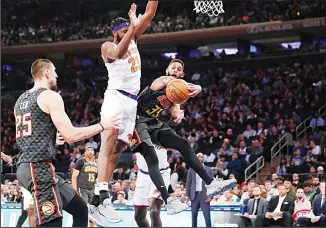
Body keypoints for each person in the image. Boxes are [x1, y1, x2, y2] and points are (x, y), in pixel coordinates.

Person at [14, 58, 121, 227]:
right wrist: (102, 125)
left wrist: (50, 140)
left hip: (28, 167)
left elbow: (24, 135)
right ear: (47, 73)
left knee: (80, 209)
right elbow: (71, 136)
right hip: (38, 169)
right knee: (53, 223)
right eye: (54, 71)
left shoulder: (20, 100)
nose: (57, 76)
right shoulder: (49, 96)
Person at [129, 59, 237, 214]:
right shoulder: (162, 80)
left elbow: (174, 111)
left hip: (152, 122)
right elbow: (173, 82)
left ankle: (210, 182)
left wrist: (178, 114)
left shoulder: (174, 94)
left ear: (182, 73)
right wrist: (198, 86)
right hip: (134, 120)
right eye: (173, 67)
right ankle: (169, 200)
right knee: (152, 158)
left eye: (179, 69)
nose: (175, 69)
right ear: (168, 70)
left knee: (183, 144)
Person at [90, 1, 159, 224]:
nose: (126, 32)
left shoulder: (134, 38)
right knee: (108, 140)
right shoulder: (106, 46)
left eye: (127, 29)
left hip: (132, 102)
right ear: (115, 33)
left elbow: (150, 12)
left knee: (119, 147)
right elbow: (119, 53)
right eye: (122, 30)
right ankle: (103, 194)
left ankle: (96, 202)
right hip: (115, 96)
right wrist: (131, 25)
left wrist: (136, 22)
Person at [133, 145, 170, 227]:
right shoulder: (135, 134)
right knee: (138, 217)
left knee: (154, 211)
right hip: (143, 174)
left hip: (161, 173)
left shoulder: (162, 132)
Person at [186, 153, 213, 227]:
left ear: (203, 159)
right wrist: (187, 196)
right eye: (199, 157)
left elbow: (212, 184)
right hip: (194, 196)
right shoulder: (191, 170)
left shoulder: (209, 170)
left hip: (205, 196)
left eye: (202, 157)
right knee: (194, 217)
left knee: (207, 217)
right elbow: (188, 183)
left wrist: (211, 196)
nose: (200, 158)